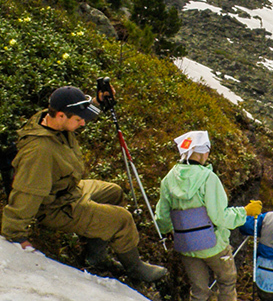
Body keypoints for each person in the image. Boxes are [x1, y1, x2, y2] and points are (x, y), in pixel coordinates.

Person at [0, 85, 167, 283]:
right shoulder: (40, 152)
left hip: (71, 190)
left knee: (113, 192)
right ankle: (135, 268)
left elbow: (77, 116)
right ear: (61, 116)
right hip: (56, 207)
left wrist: (97, 103)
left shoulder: (48, 118)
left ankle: (96, 257)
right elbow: (27, 193)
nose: (82, 124)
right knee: (122, 219)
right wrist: (16, 234)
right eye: (78, 120)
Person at [155, 130, 261, 301]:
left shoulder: (168, 179)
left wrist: (169, 231)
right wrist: (244, 212)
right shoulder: (208, 178)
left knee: (198, 287)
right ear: (202, 153)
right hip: (213, 245)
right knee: (227, 279)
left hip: (185, 245)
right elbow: (220, 217)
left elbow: (162, 217)